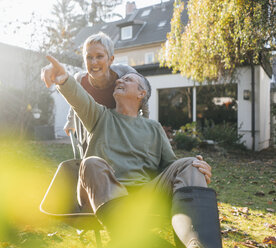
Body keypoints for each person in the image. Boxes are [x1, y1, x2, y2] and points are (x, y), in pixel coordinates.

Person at [41, 56, 222, 248]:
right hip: (102, 195)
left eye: (128, 80)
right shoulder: (99, 116)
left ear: (141, 93)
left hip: (144, 196)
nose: (119, 80)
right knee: (91, 163)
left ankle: (198, 244)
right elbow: (79, 98)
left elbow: (171, 167)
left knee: (191, 163)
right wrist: (63, 79)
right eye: (120, 79)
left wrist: (194, 171)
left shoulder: (154, 128)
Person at [63, 32, 147, 148]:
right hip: (92, 138)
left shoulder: (125, 74)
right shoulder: (80, 80)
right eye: (89, 57)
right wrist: (70, 121)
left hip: (122, 136)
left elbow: (142, 97)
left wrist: (146, 124)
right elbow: (75, 102)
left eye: (99, 56)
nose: (94, 62)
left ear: (110, 59)